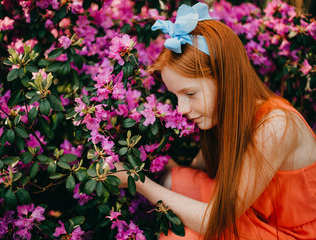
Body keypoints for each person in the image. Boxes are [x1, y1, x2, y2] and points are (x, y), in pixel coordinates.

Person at [115, 3, 316, 240]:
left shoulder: (275, 125)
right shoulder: (229, 113)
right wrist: (151, 158)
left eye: (190, 94)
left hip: (291, 233)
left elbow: (214, 221)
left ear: (224, 77)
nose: (181, 109)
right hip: (252, 214)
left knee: (181, 236)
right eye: (176, 96)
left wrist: (137, 181)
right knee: (174, 178)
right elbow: (199, 170)